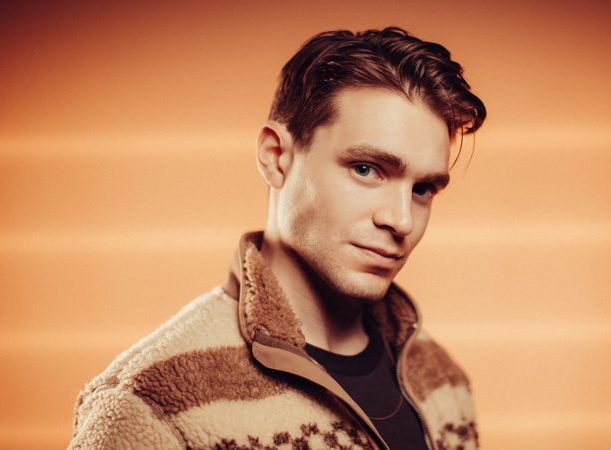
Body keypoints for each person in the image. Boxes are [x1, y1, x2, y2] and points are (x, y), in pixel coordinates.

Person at [69, 26, 486, 450]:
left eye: (422, 189)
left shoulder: (443, 382)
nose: (401, 220)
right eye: (366, 169)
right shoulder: (150, 406)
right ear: (276, 157)